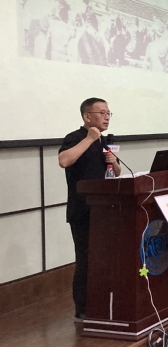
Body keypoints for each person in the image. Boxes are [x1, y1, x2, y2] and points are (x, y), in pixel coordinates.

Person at [58, 98, 120, 320]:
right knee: (85, 259)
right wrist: (90, 138)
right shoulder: (75, 138)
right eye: (102, 113)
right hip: (82, 211)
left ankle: (102, 302)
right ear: (87, 116)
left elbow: (116, 173)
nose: (106, 117)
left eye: (109, 113)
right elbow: (64, 160)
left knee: (105, 259)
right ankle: (82, 308)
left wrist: (114, 161)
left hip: (104, 210)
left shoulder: (105, 141)